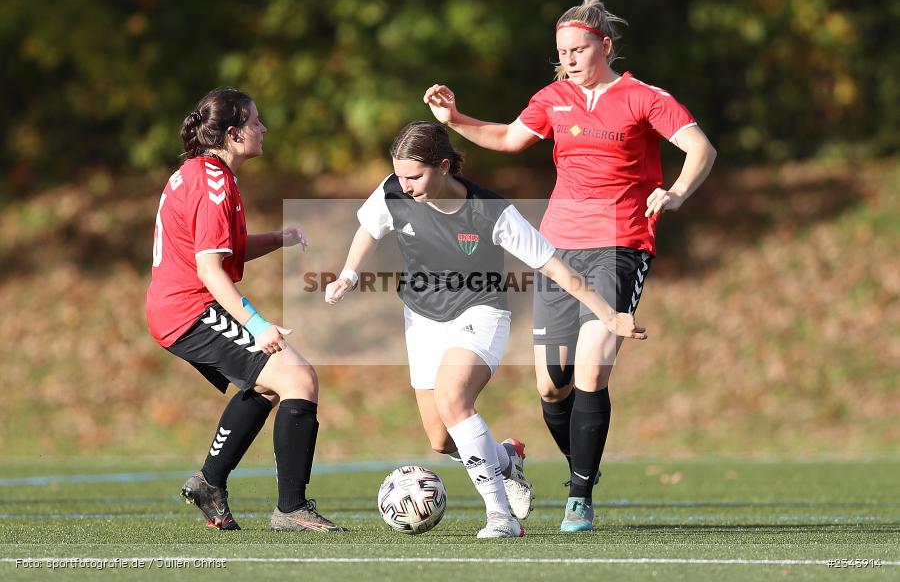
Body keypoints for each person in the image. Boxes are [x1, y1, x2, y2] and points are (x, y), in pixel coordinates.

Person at [424, 0, 717, 532]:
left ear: (605, 45)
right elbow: (510, 138)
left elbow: (700, 149)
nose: (571, 59)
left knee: (591, 367)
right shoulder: (554, 98)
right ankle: (583, 465)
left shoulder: (643, 97)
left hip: (621, 245)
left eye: (580, 49)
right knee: (551, 388)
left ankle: (579, 495)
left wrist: (674, 193)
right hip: (558, 251)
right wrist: (455, 118)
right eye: (562, 52)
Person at [325, 121, 646, 538]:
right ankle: (505, 459)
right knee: (441, 440)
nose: (404, 185)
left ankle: (501, 516)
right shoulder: (393, 189)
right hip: (421, 317)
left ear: (444, 167)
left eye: (415, 176)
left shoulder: (490, 211)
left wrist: (607, 314)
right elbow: (370, 226)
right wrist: (349, 274)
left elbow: (553, 266)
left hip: (480, 311)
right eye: (400, 175)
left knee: (454, 395)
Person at [145, 87, 343, 533]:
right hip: (188, 310)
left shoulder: (205, 173)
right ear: (233, 134)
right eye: (255, 122)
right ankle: (290, 509)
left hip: (179, 307)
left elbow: (218, 249)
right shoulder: (213, 184)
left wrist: (277, 239)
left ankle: (210, 483)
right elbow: (210, 268)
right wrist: (255, 323)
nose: (263, 128)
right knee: (298, 378)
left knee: (274, 386)